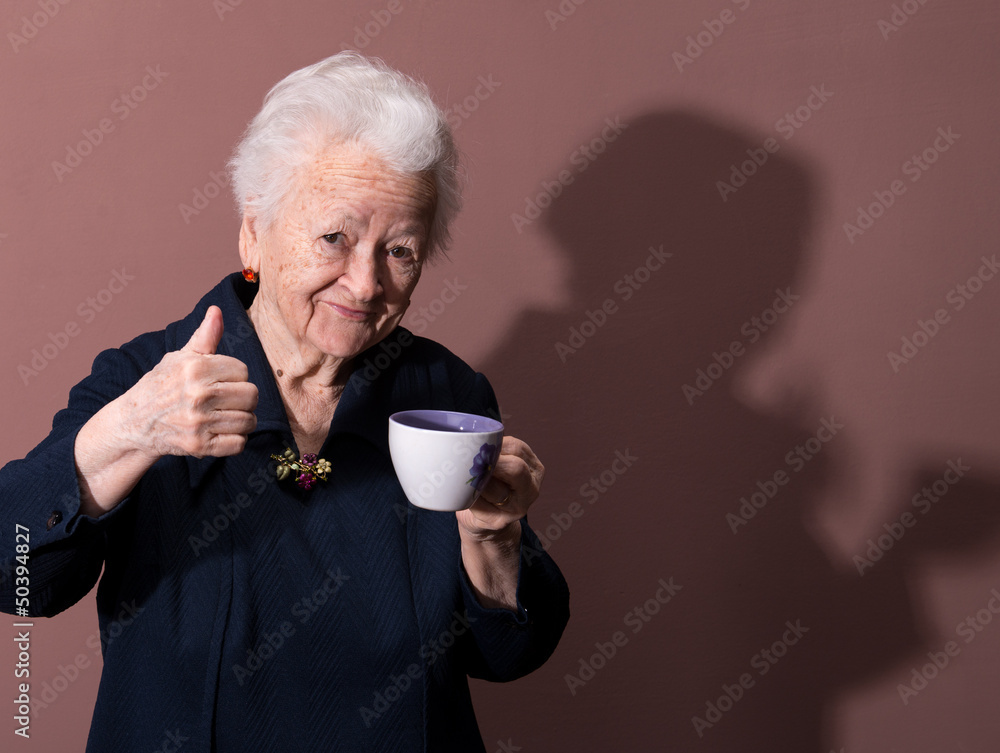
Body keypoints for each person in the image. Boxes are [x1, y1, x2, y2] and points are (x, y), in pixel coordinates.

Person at [0, 51, 569, 753]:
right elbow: (16, 573)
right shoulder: (149, 377)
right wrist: (127, 432)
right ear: (253, 233)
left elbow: (509, 653)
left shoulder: (446, 395)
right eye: (334, 237)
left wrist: (494, 535)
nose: (364, 285)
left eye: (400, 251)